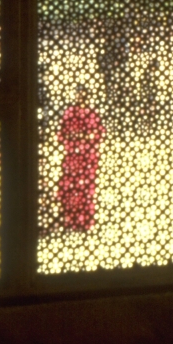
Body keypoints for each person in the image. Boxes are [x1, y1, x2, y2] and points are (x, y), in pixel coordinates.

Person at [57, 83, 105, 232]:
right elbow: (61, 135)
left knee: (86, 190)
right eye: (78, 94)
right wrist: (74, 141)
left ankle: (84, 221)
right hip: (73, 159)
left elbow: (100, 134)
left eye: (82, 94)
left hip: (88, 159)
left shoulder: (91, 114)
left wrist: (86, 140)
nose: (80, 97)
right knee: (71, 189)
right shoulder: (70, 113)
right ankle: (71, 220)